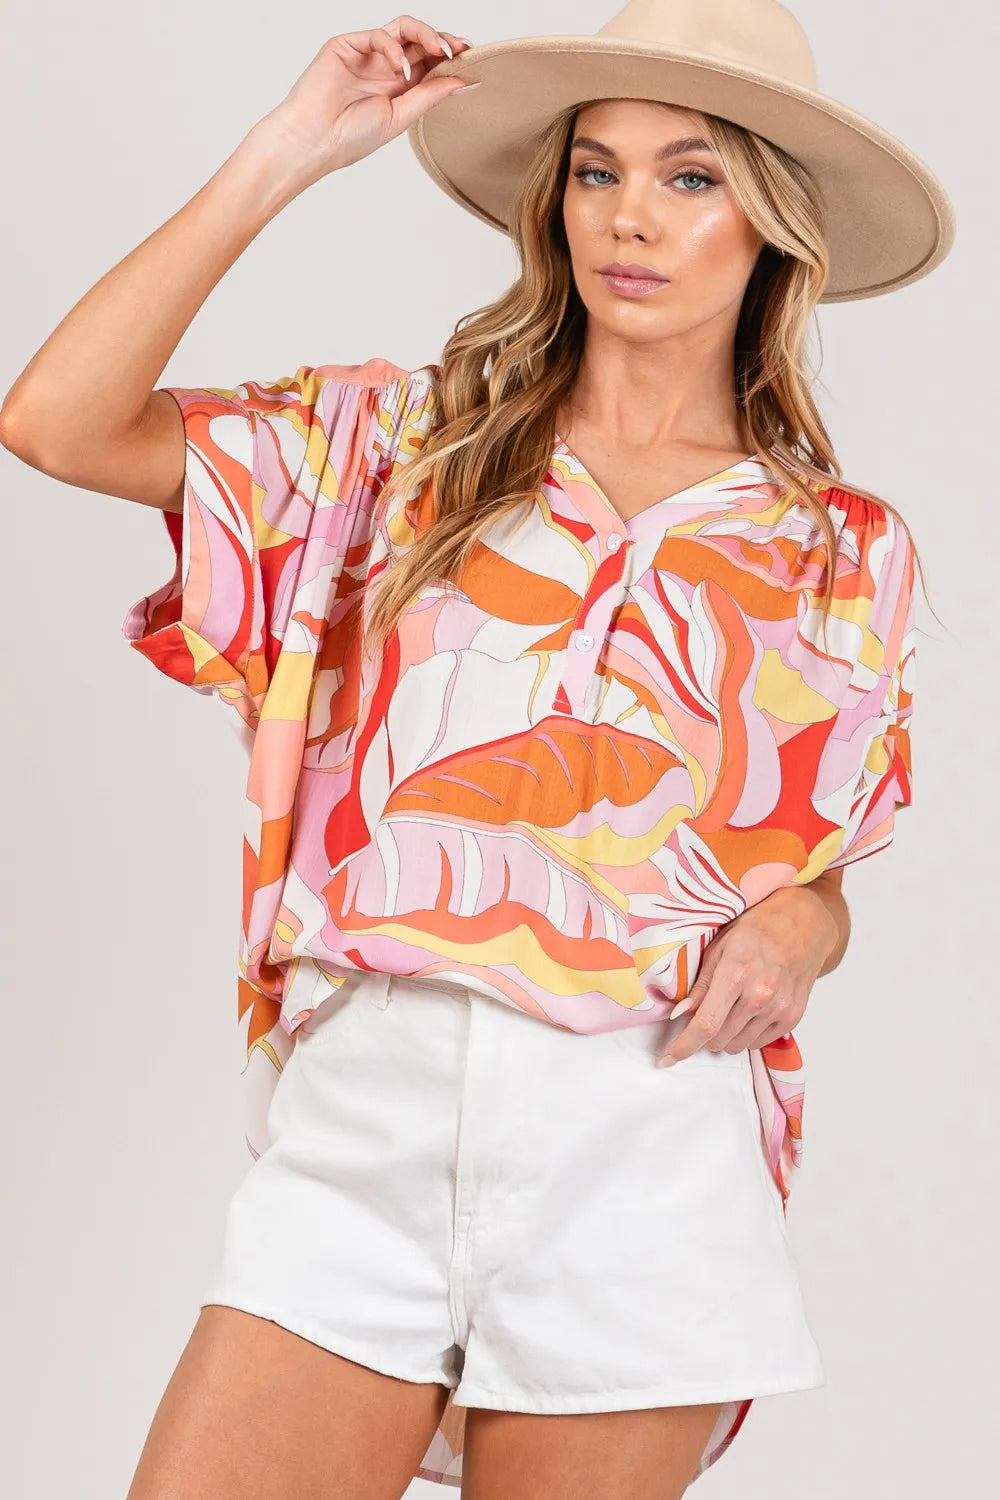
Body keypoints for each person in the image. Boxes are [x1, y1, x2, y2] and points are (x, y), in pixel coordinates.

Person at [0, 4, 954, 1498]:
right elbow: (56, 422)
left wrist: (803, 927)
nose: (629, 217)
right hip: (367, 1122)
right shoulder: (398, 451)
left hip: (643, 1136)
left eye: (691, 177)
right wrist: (286, 152)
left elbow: (819, 868)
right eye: (596, 170)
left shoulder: (839, 552)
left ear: (773, 220)